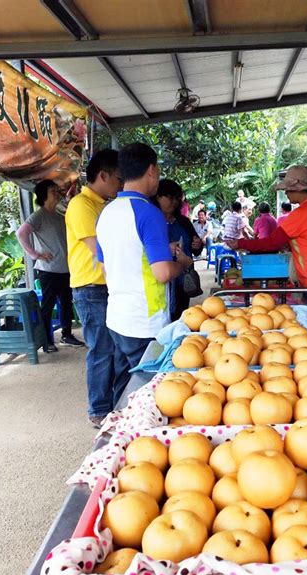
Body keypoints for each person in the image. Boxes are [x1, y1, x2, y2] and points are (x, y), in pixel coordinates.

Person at [96, 143, 193, 398]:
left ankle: (115, 431)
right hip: (144, 322)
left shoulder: (105, 213)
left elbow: (106, 267)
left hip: (116, 318)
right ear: (151, 170)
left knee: (122, 386)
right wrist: (182, 263)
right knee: (147, 393)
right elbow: (161, 272)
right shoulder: (149, 213)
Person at [226, 166, 307, 333]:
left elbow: (272, 243)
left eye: (288, 189)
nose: (286, 192)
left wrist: (241, 244)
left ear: (299, 189)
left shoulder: (302, 213)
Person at [66, 149, 122, 428]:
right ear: (103, 175)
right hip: (91, 288)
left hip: (105, 287)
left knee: (113, 348)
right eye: (118, 178)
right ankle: (99, 409)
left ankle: (112, 405)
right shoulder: (81, 205)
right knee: (101, 349)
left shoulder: (103, 204)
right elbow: (100, 251)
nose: (122, 184)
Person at [16, 180, 83, 352]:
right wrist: (34, 255)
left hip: (64, 268)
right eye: (53, 190)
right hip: (48, 270)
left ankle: (67, 335)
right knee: (47, 306)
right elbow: (21, 233)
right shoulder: (39, 215)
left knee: (67, 303)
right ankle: (47, 341)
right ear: (43, 195)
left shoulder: (59, 214)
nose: (56, 193)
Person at [153, 178, 203, 321]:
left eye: (176, 198)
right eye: (169, 197)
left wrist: (197, 245)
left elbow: (196, 250)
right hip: (161, 281)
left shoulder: (183, 222)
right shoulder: (152, 222)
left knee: (182, 318)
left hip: (183, 281)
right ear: (157, 197)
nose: (174, 202)